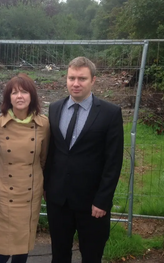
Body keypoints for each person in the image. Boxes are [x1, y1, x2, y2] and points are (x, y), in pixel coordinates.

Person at [44, 57, 124, 263]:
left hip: (92, 203)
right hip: (58, 201)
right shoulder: (54, 109)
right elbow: (52, 152)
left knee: (91, 256)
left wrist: (102, 200)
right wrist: (47, 188)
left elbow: (113, 161)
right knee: (59, 255)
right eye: (72, 78)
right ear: (66, 79)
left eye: (82, 78)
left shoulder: (110, 113)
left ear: (93, 80)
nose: (76, 83)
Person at [0, 73, 50, 263]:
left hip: (30, 194)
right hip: (5, 194)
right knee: (1, 251)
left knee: (23, 249)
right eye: (14, 93)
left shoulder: (43, 124)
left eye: (24, 91)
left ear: (32, 96)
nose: (19, 96)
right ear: (8, 98)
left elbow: (43, 160)